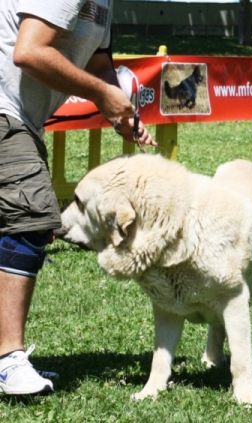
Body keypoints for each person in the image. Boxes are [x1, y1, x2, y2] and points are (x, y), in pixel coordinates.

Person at [0, 0, 156, 395]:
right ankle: (7, 361)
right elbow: (29, 51)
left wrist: (119, 111)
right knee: (30, 219)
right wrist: (102, 94)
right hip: (6, 112)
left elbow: (99, 64)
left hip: (24, 117)